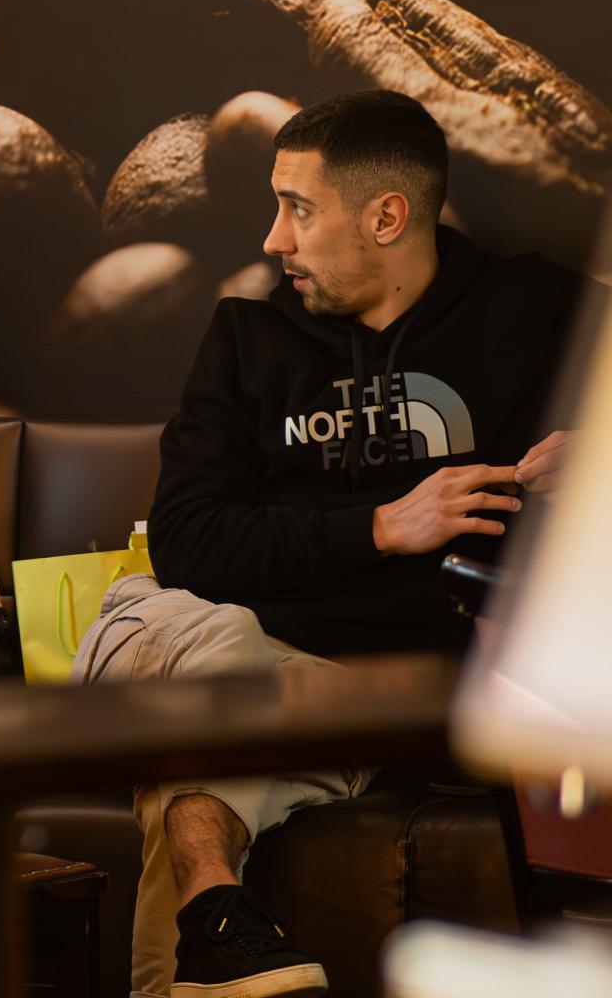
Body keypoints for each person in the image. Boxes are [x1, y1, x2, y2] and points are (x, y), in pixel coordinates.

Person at [76, 90, 587, 998]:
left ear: (386, 217)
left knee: (196, 769)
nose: (274, 239)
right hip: (211, 646)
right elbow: (186, 544)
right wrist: (382, 527)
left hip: (352, 696)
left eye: (298, 209)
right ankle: (219, 929)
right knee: (217, 637)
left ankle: (215, 927)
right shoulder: (249, 335)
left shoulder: (538, 309)